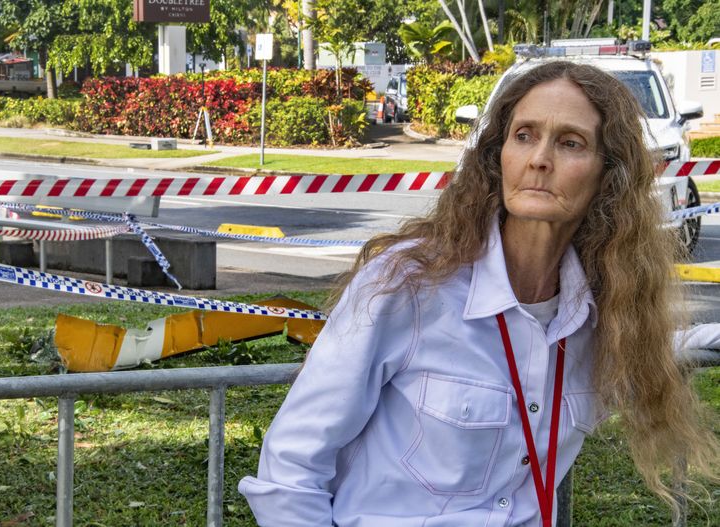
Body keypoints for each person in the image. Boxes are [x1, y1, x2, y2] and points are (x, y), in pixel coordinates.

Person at [238, 61, 718, 526]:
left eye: (570, 143)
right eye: (524, 135)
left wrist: (697, 339)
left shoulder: (603, 312)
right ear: (497, 155)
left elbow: (636, 352)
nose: (539, 159)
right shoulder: (409, 285)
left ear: (607, 175)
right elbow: (289, 471)